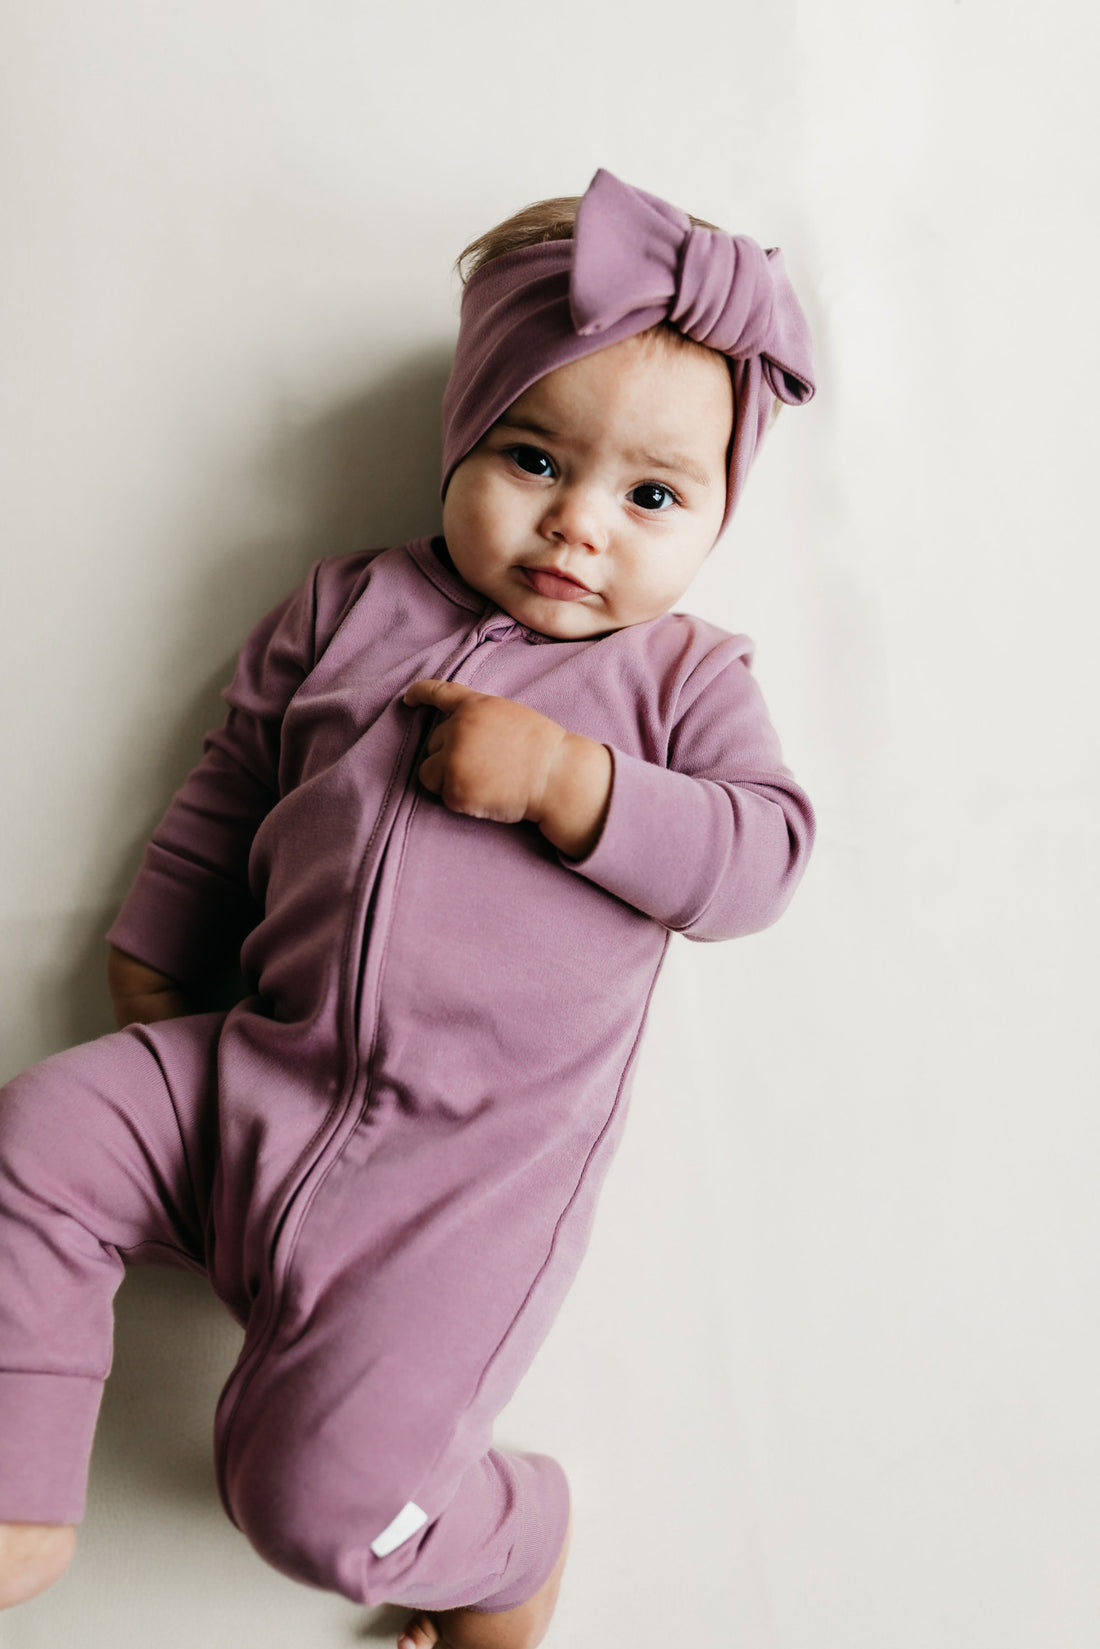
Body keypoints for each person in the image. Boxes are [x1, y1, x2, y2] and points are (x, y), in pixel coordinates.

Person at [0, 168, 816, 1648]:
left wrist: (572, 783)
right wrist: (151, 959)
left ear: (715, 513)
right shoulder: (345, 609)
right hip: (253, 1073)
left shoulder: (683, 681)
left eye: (651, 496)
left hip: (456, 1186)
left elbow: (764, 856)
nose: (578, 527)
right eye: (532, 457)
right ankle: (18, 1504)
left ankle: (513, 1542)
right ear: (463, 434)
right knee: (38, 1133)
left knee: (310, 1505)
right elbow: (231, 783)